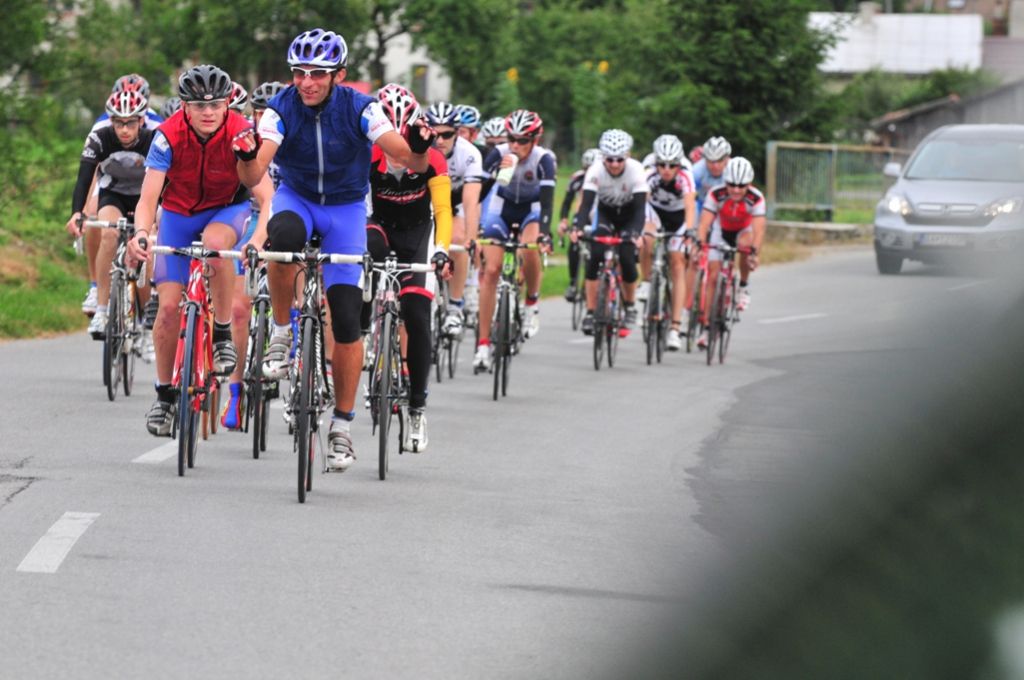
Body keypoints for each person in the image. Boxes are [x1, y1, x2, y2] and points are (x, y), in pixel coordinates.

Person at [234, 28, 436, 472]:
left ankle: (342, 427)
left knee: (346, 320)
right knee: (282, 239)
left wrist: (419, 147)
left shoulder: (362, 108)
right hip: (298, 199)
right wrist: (248, 155)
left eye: (318, 74)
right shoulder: (280, 108)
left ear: (338, 75)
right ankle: (283, 333)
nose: (306, 82)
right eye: (300, 73)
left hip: (346, 209)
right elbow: (255, 173)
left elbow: (404, 157)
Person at [126, 64, 274, 437]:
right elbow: (148, 199)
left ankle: (221, 332)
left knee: (213, 247)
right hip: (177, 213)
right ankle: (164, 396)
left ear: (227, 104)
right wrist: (142, 233)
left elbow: (267, 197)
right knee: (169, 309)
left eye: (216, 105)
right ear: (184, 107)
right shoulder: (167, 136)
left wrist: (257, 239)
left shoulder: (242, 131)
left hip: (227, 209)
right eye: (198, 106)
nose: (208, 112)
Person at [364, 85, 453, 452]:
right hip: (380, 227)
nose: (396, 152)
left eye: (402, 140)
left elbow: (444, 210)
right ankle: (365, 333)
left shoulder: (432, 158)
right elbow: (359, 205)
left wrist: (443, 251)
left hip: (418, 234)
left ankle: (417, 406)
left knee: (417, 315)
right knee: (365, 257)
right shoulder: (366, 154)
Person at [65, 89, 156, 360]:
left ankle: (146, 325)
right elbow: (84, 178)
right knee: (108, 233)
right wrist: (77, 213)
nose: (124, 130)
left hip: (146, 195)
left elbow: (166, 183)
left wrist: (154, 223)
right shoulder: (100, 135)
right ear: (111, 121)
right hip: (114, 193)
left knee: (146, 245)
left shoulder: (155, 138)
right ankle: (103, 310)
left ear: (142, 120)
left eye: (130, 123)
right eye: (118, 122)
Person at [474, 109, 555, 371]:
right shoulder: (498, 154)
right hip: (501, 208)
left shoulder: (545, 159)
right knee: (491, 272)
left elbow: (546, 201)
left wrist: (544, 233)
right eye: (512, 139)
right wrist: (498, 171)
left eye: (523, 141)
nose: (516, 145)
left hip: (531, 210)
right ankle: (483, 345)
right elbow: (479, 195)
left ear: (535, 140)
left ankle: (531, 302)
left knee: (530, 250)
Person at [80, 75, 164, 318]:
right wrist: (86, 208)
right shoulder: (102, 126)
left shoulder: (156, 126)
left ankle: (149, 302)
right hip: (114, 184)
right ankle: (96, 286)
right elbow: (92, 168)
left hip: (146, 186)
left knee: (153, 232)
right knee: (97, 218)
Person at [570, 129, 647, 336]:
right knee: (595, 256)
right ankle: (591, 311)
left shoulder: (637, 171)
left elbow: (641, 211)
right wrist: (577, 228)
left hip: (630, 216)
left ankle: (630, 305)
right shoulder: (595, 171)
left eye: (619, 159)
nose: (614, 164)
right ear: (603, 157)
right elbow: (585, 206)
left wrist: (636, 234)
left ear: (627, 156)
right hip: (606, 214)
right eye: (610, 159)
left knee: (627, 258)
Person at [425, 101, 484, 338]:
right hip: (426, 202)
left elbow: (471, 201)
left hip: (455, 204)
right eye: (435, 133)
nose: (440, 140)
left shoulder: (469, 154)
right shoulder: (420, 149)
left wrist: (472, 237)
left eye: (447, 134)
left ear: (457, 133)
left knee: (458, 240)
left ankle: (454, 306)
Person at [694, 157, 765, 348]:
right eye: (731, 185)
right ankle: (707, 328)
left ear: (749, 184)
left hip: (744, 230)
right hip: (721, 230)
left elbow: (759, 230)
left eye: (741, 186)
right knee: (713, 276)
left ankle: (743, 285)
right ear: (725, 182)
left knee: (746, 244)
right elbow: (704, 224)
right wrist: (700, 244)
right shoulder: (715, 194)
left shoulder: (756, 198)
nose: (735, 190)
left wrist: (754, 254)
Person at [643, 134, 697, 351]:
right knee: (646, 239)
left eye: (671, 165)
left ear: (679, 164)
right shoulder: (648, 173)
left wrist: (690, 231)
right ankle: (647, 283)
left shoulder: (686, 175)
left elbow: (690, 207)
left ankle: (675, 328)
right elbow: (640, 204)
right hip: (655, 212)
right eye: (662, 164)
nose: (666, 169)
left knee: (677, 262)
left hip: (678, 217)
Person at [558, 147, 600, 302]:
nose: (590, 172)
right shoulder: (577, 178)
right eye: (587, 169)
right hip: (581, 213)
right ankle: (573, 282)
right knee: (574, 244)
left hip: (599, 214)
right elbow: (567, 202)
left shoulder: (605, 178)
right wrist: (563, 221)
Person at [692, 136, 731, 212]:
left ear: (727, 159)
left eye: (720, 160)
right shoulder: (696, 171)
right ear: (705, 159)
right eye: (711, 161)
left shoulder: (733, 170)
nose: (715, 166)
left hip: (726, 208)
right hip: (702, 205)